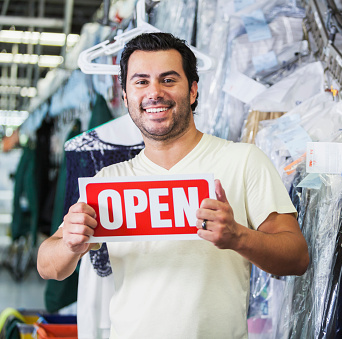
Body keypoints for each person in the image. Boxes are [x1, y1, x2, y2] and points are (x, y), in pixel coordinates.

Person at [37, 32, 309, 338]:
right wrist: (71, 245)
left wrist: (238, 237)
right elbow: (49, 266)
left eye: (168, 80)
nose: (154, 92)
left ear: (193, 90)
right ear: (126, 97)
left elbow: (297, 258)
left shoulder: (243, 161)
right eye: (141, 82)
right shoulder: (109, 182)